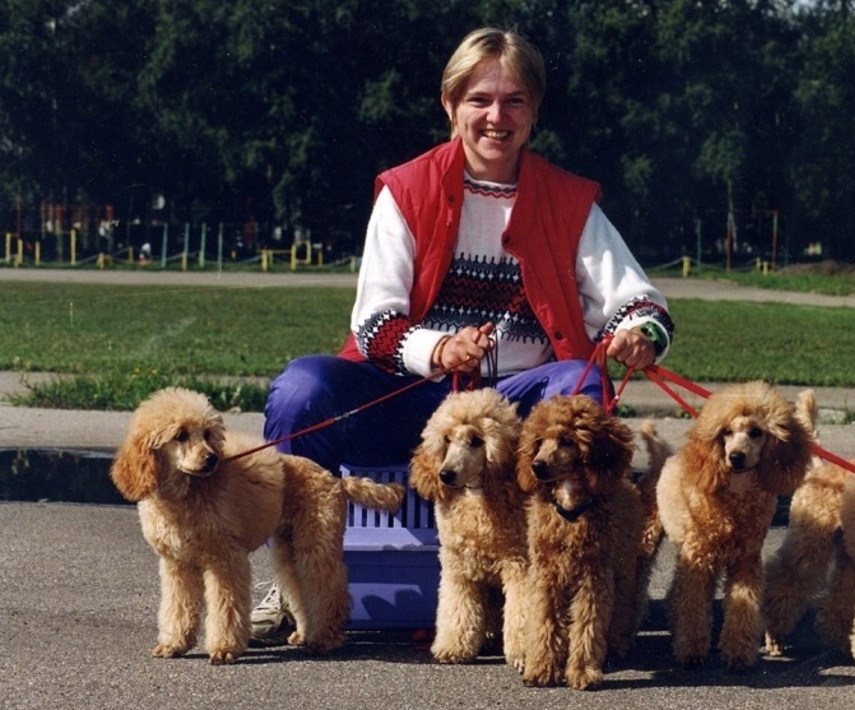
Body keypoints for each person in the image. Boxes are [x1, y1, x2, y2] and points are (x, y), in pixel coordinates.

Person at [250, 26, 675, 644]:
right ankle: (294, 582)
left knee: (577, 394)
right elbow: (373, 323)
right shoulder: (406, 189)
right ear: (451, 105)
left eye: (514, 101)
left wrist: (639, 333)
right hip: (414, 397)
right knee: (301, 390)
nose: (495, 117)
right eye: (479, 99)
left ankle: (561, 577)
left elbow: (639, 300)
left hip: (520, 407)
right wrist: (439, 349)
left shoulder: (570, 199)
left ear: (534, 112)